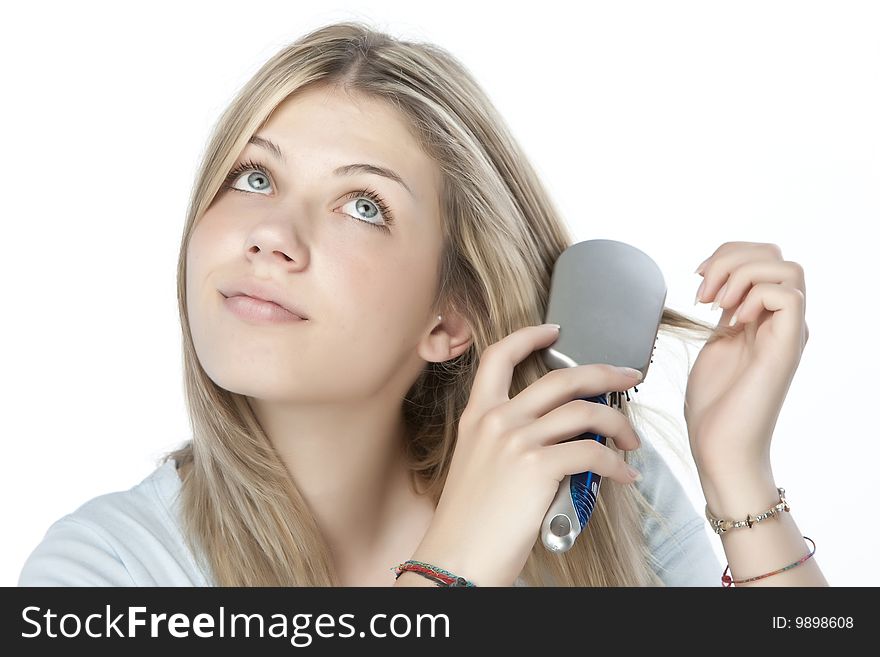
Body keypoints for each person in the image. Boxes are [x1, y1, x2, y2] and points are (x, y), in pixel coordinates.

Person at [19, 21, 826, 587]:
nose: (271, 234)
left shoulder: (585, 481)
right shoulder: (107, 570)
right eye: (256, 177)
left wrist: (738, 475)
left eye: (362, 203)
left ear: (450, 319)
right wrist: (453, 575)